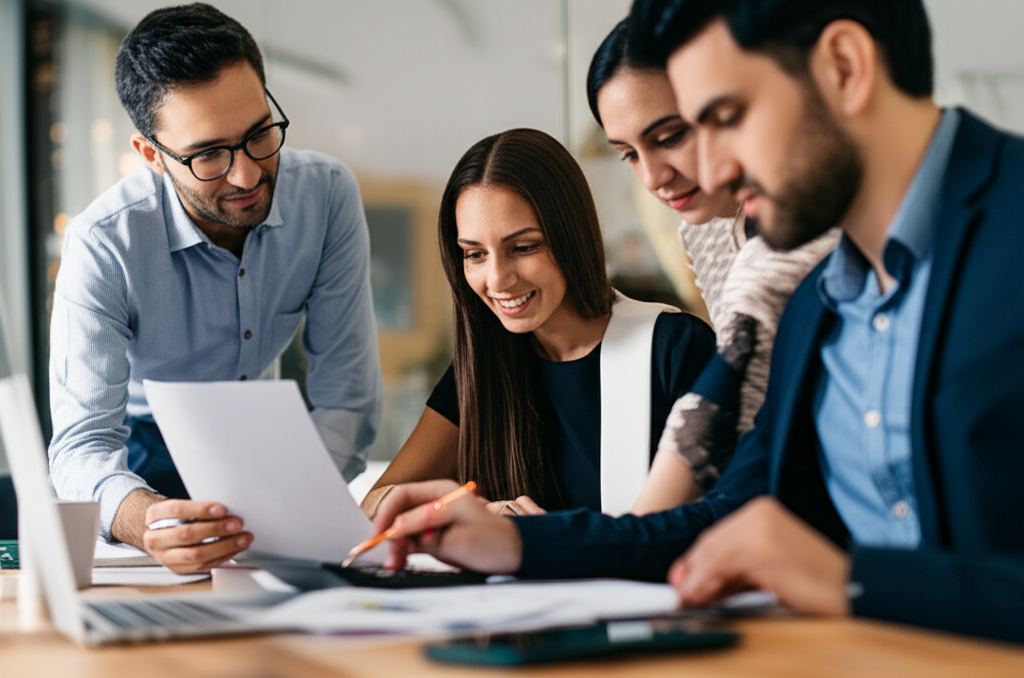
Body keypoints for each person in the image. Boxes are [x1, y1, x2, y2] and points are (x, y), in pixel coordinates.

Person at [370, 0, 1024, 645]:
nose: (708, 175)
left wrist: (855, 583)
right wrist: (513, 540)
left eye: (724, 118)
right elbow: (714, 523)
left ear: (845, 68)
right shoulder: (817, 305)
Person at [48, 4, 382, 574]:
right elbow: (82, 446)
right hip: (143, 451)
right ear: (152, 156)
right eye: (208, 155)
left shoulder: (326, 195)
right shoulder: (102, 241)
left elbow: (345, 394)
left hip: (268, 437)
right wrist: (144, 521)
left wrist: (305, 502)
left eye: (259, 136)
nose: (248, 176)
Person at [361, 128, 715, 519]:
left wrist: (538, 539)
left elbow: (714, 520)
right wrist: (477, 512)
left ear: (571, 236)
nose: (497, 279)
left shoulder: (674, 349)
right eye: (475, 254)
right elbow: (377, 505)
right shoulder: (484, 365)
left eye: (523, 247)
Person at [588, 19, 838, 513]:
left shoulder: (797, 232)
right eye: (628, 155)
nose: (653, 177)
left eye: (671, 136)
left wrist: (618, 537)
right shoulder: (702, 229)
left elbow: (718, 416)